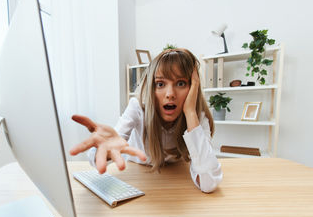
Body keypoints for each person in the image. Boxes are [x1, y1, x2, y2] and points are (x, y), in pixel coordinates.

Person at [70, 48, 223, 193]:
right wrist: (103, 151)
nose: (170, 94)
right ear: (151, 87)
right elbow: (99, 159)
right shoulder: (138, 107)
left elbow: (208, 183)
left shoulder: (196, 116)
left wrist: (190, 112)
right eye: (161, 84)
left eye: (181, 83)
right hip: (138, 177)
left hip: (174, 182)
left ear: (193, 88)